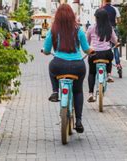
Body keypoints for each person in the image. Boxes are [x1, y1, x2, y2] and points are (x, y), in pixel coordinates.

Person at [43, 4, 93, 133]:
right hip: (77, 66)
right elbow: (86, 49)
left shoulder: (53, 30)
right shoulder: (79, 30)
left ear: (57, 16)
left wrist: (46, 51)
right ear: (72, 16)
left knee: (51, 67)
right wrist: (91, 51)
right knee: (78, 91)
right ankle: (79, 121)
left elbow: (47, 50)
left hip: (58, 65)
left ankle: (55, 91)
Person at [86, 9, 118, 102]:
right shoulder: (109, 28)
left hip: (94, 54)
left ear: (96, 18)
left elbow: (87, 41)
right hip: (106, 53)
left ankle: (91, 93)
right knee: (109, 59)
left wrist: (89, 47)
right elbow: (115, 40)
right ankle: (108, 75)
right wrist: (116, 43)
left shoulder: (91, 28)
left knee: (92, 72)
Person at [102, 0, 122, 77]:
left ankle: (105, 64)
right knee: (115, 47)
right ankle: (118, 64)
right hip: (113, 28)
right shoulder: (115, 9)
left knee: (105, 47)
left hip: (104, 30)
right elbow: (119, 20)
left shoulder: (101, 9)